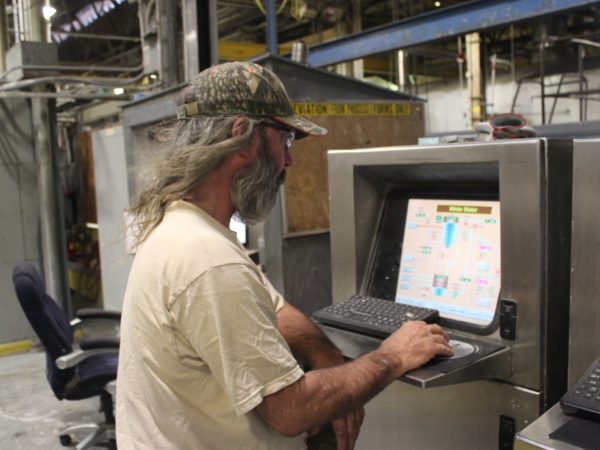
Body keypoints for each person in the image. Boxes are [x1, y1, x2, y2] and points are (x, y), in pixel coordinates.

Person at [116, 61, 453, 450]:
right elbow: (292, 410)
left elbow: (275, 312)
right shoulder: (207, 259)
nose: (288, 162)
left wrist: (330, 361)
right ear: (243, 136)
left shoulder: (187, 225)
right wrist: (392, 357)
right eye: (285, 141)